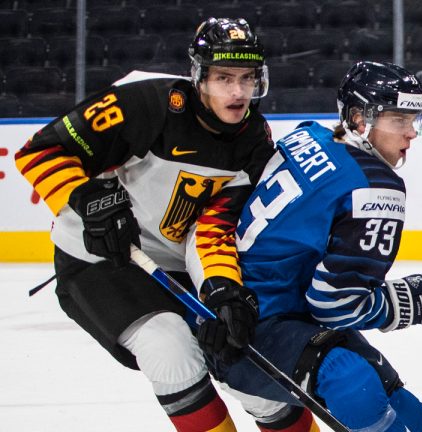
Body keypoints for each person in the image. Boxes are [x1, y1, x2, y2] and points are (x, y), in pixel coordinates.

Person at [15, 17, 275, 431]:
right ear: (199, 77)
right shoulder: (145, 105)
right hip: (99, 259)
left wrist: (222, 289)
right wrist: (88, 198)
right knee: (168, 347)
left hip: (174, 265)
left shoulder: (255, 142)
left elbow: (212, 230)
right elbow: (41, 151)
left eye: (247, 79)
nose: (238, 92)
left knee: (253, 362)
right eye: (224, 77)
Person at [194, 61, 422, 432]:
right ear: (360, 119)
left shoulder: (309, 134)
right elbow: (335, 305)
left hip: (235, 309)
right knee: (351, 381)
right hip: (243, 334)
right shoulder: (375, 188)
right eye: (399, 120)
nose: (411, 134)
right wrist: (402, 303)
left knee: (388, 390)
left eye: (415, 120)